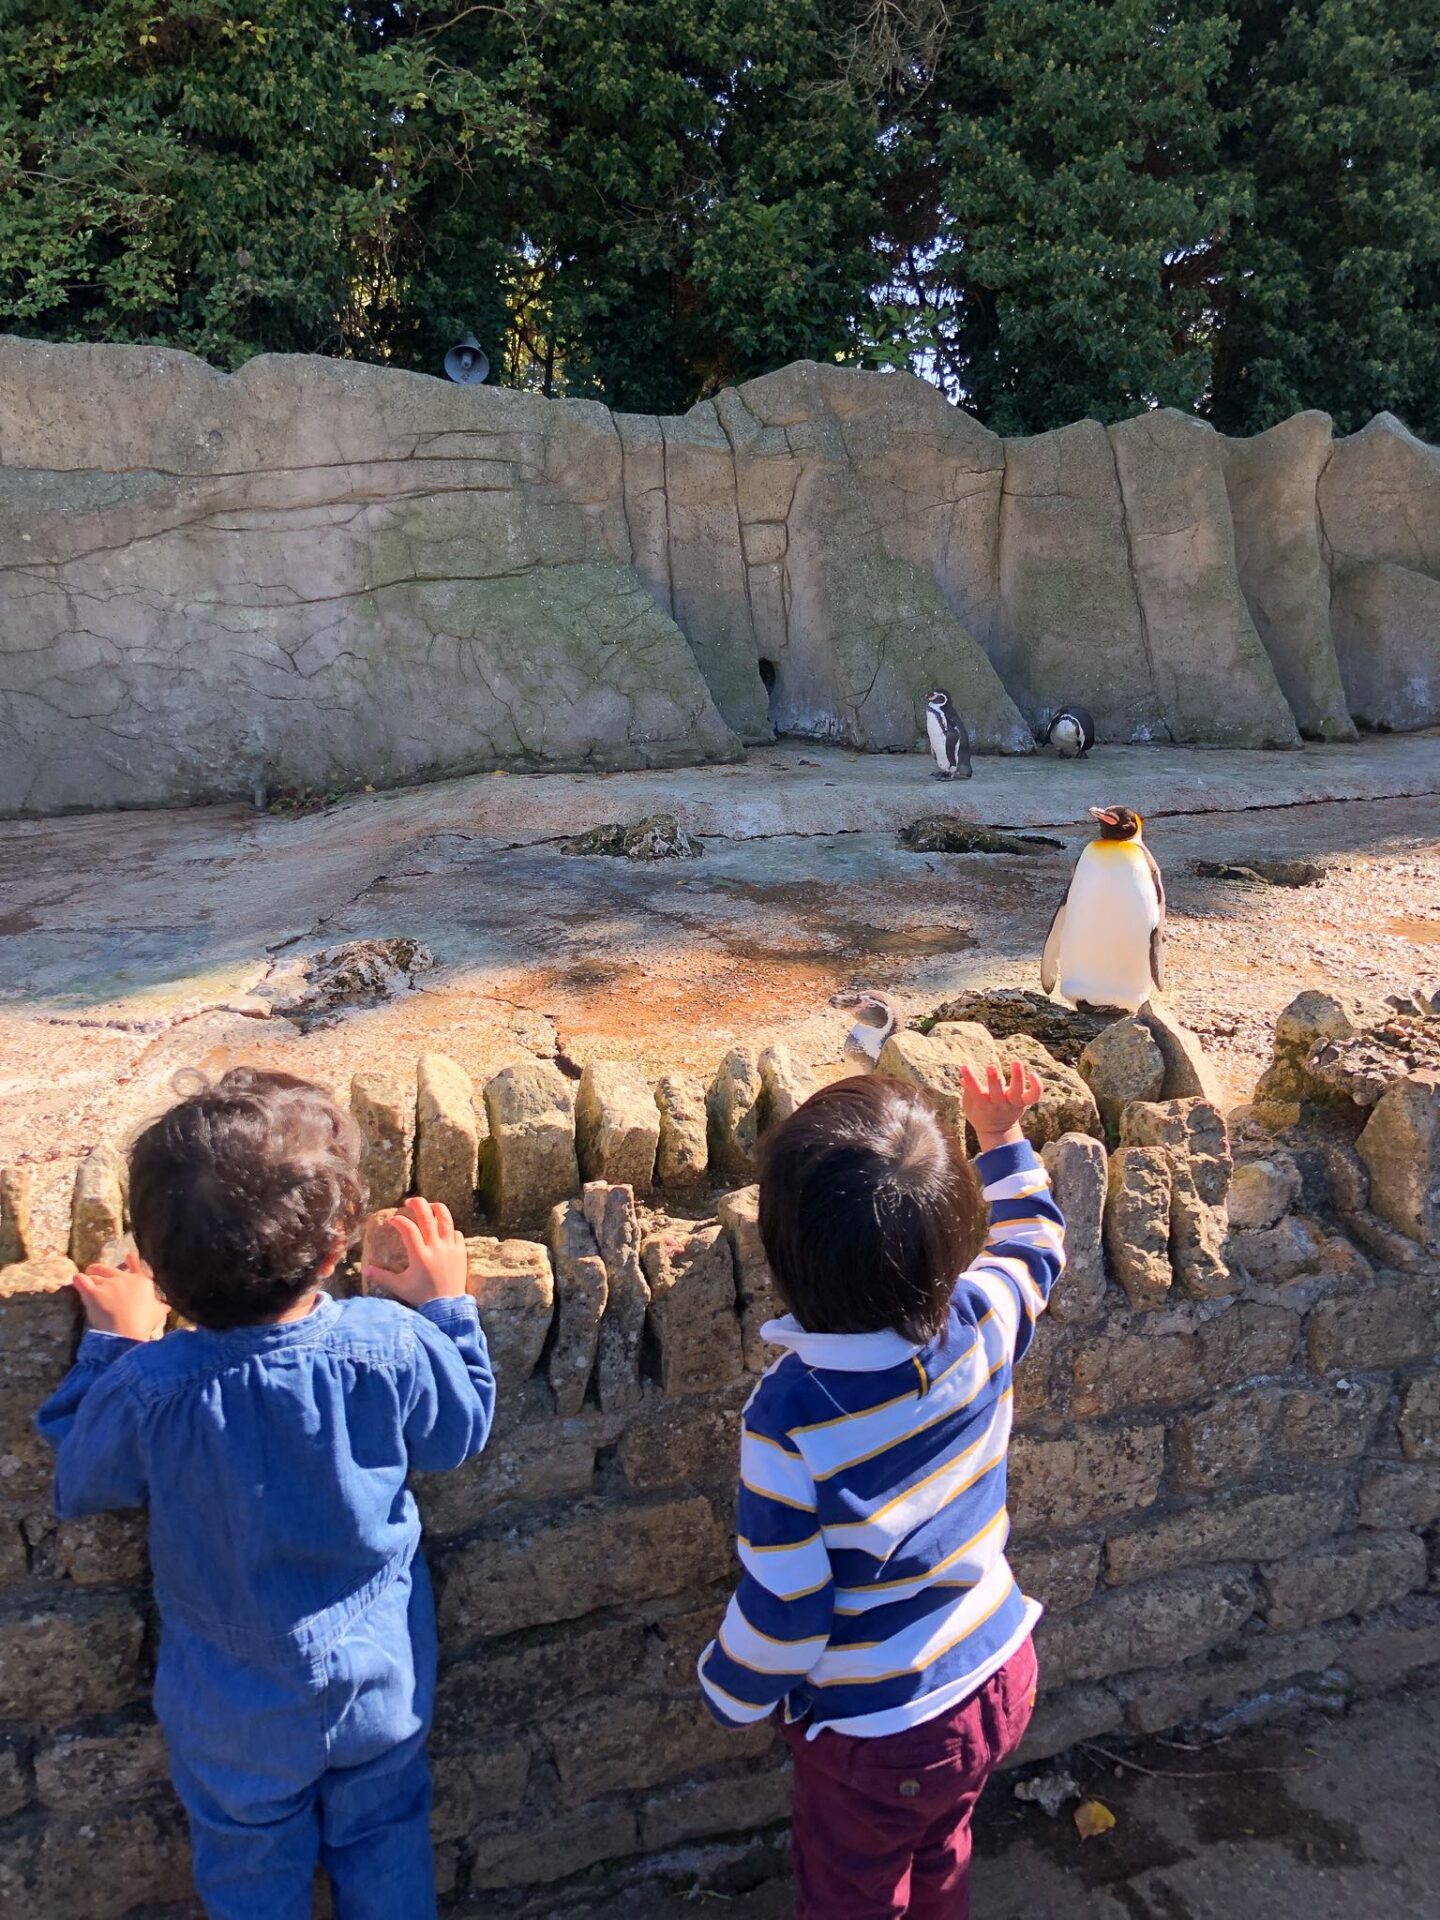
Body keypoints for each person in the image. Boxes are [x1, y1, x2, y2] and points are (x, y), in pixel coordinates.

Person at [37, 1069, 494, 1920]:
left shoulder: (154, 1387)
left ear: (163, 1277)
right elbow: (459, 1431)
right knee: (387, 1845)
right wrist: (448, 1308)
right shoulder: (387, 1344)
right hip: (379, 1689)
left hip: (233, 1721)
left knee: (250, 1880)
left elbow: (83, 1472)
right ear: (334, 1251)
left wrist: (115, 1345)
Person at [698, 1061, 1066, 1919]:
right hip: (999, 1671)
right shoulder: (980, 1319)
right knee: (941, 1847)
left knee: (851, 1895)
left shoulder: (789, 1418)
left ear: (785, 1255)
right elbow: (1037, 1245)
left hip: (881, 1730)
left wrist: (728, 1688)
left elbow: (788, 1607)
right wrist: (1001, 1136)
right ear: (953, 1235)